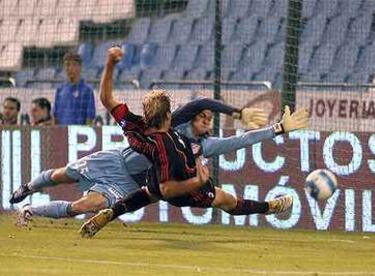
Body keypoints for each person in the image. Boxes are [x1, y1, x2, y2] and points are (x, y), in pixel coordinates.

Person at [78, 47, 309, 238]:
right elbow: (171, 188)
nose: (206, 119)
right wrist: (197, 180)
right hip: (183, 186)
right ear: (169, 116)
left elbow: (107, 99)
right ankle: (270, 208)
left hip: (155, 177)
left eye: (209, 118)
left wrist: (110, 62)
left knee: (151, 191)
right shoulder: (174, 143)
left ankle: (112, 212)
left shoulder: (136, 126)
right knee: (226, 200)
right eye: (203, 117)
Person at [53, 52, 96, 125]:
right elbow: (55, 117)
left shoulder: (87, 91)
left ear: (80, 67)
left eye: (74, 65)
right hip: (62, 133)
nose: (70, 68)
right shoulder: (60, 90)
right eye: (67, 65)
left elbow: (90, 118)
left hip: (79, 133)